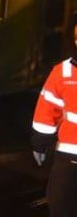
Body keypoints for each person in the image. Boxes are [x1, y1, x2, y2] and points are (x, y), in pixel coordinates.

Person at [32, 23, 77, 217]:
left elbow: (46, 111)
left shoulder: (64, 72)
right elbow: (47, 111)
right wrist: (40, 142)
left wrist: (39, 145)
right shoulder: (63, 72)